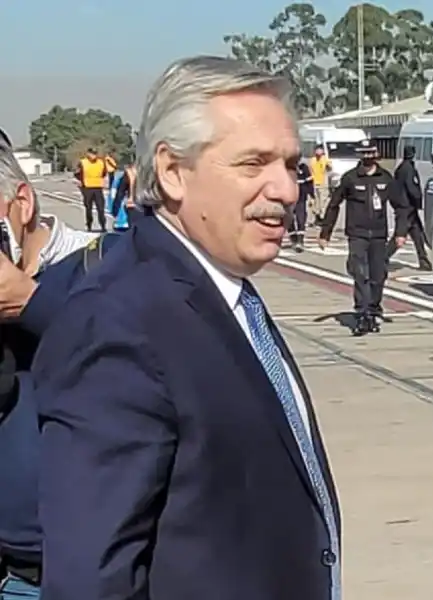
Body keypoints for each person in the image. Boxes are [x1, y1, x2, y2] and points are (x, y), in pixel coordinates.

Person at [32, 56, 340, 600]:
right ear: (172, 171)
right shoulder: (118, 322)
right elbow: (90, 580)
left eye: (290, 164)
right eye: (254, 163)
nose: (287, 190)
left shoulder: (222, 289)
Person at [0, 134, 101, 599]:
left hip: (78, 574)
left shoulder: (104, 263)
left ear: (21, 203)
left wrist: (30, 301)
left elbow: (140, 359)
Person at [318, 140, 408, 336]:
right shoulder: (351, 178)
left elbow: (401, 206)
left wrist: (400, 233)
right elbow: (334, 204)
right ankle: (362, 313)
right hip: (357, 234)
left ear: (376, 154)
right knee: (360, 274)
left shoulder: (385, 178)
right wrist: (325, 233)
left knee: (378, 275)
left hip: (378, 235)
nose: (367, 156)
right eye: (364, 153)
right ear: (359, 155)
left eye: (371, 152)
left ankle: (374, 310)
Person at [386, 145, 431, 271]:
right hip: (405, 207)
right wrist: (419, 200)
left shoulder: (401, 168)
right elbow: (412, 187)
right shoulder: (408, 169)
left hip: (408, 207)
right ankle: (383, 257)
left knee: (418, 234)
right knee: (399, 236)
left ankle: (423, 260)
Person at [73, 147, 107, 232]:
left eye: (95, 154)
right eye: (92, 154)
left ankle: (103, 226)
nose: (93, 156)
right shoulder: (83, 162)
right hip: (87, 188)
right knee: (88, 208)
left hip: (98, 187)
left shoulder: (101, 162)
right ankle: (89, 225)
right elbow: (77, 173)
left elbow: (104, 173)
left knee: (101, 208)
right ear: (88, 154)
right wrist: (81, 181)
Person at [292, 156, 313, 251]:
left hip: (301, 198)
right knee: (289, 220)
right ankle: (294, 239)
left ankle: (300, 241)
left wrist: (312, 196)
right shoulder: (286, 167)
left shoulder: (304, 167)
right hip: (289, 198)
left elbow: (309, 182)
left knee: (301, 219)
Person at [310, 144, 331, 226]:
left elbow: (330, 168)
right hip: (314, 182)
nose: (318, 152)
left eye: (320, 150)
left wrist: (327, 166)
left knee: (323, 202)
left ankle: (323, 218)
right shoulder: (313, 160)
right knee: (315, 202)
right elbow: (310, 170)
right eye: (317, 150)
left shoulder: (325, 159)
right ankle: (316, 218)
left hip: (323, 183)